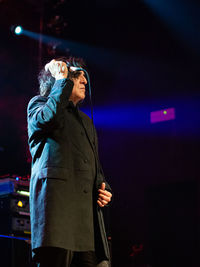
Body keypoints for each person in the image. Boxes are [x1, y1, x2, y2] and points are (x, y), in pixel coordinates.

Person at [27, 57, 112, 267]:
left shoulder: (86, 122)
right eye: (78, 75)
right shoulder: (39, 104)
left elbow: (95, 167)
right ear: (60, 77)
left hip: (86, 224)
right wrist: (61, 79)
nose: (85, 79)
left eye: (84, 75)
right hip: (57, 219)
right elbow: (49, 118)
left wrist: (104, 188)